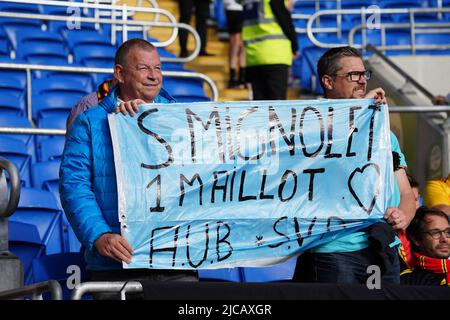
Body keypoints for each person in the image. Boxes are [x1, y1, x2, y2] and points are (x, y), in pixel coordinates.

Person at [60, 39, 197, 299]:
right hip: (117, 264)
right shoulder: (89, 122)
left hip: (176, 259)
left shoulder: (183, 119)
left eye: (158, 68)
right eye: (144, 68)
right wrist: (99, 235)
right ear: (120, 74)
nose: (153, 76)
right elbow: (74, 186)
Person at [293, 46, 416, 285]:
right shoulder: (309, 126)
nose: (362, 81)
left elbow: (405, 193)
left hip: (381, 249)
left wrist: (403, 215)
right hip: (331, 251)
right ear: (328, 81)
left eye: (364, 74)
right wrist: (358, 113)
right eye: (353, 75)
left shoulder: (384, 135)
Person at [242, 0, 298, 100]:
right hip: (274, 54)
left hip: (253, 56)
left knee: (260, 106)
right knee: (277, 105)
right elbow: (284, 19)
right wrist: (295, 45)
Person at [400, 206, 450, 286]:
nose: (444, 239)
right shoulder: (409, 280)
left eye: (448, 232)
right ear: (416, 239)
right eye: (435, 233)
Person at [398, 173, 421, 270]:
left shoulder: (424, 226)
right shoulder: (386, 232)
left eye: (416, 200)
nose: (414, 206)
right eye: (408, 200)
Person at [223, 0, 246, 88]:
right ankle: (237, 77)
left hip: (233, 9)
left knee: (238, 43)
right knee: (238, 43)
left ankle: (238, 76)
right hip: (237, 9)